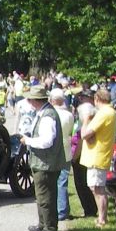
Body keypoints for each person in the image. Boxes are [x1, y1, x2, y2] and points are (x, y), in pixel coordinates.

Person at [18, 85, 67, 231]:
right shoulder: (43, 112)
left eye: (30, 99)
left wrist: (28, 141)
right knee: (41, 195)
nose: (28, 101)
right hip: (42, 161)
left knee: (46, 196)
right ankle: (43, 223)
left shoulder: (47, 116)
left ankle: (50, 226)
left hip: (46, 163)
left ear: (35, 100)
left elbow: (46, 141)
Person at [79, 88, 116, 228]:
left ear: (97, 99)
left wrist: (86, 120)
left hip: (97, 155)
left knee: (98, 188)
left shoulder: (104, 113)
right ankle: (102, 217)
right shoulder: (110, 112)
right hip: (99, 154)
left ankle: (102, 218)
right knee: (96, 187)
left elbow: (85, 134)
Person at [70, 88, 98, 217]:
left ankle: (90, 210)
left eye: (84, 97)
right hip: (82, 155)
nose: (81, 99)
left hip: (82, 156)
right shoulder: (84, 116)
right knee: (83, 184)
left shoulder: (89, 117)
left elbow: (82, 139)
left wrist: (74, 157)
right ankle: (90, 209)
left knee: (83, 184)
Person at [49, 88, 75, 221]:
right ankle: (64, 209)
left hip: (54, 151)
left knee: (56, 182)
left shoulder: (50, 115)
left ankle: (61, 211)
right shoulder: (69, 115)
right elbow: (70, 132)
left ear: (52, 100)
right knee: (63, 181)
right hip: (66, 149)